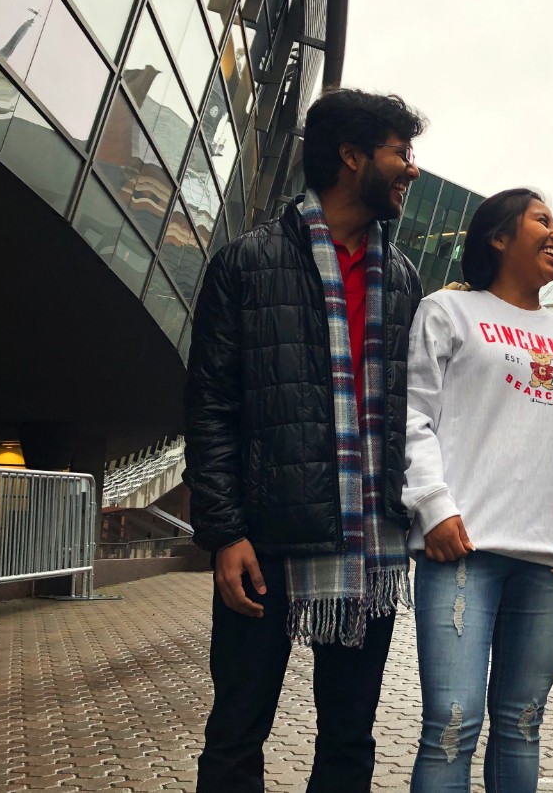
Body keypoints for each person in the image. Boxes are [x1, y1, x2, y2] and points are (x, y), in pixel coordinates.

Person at [184, 88, 425, 792]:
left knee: (349, 738)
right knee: (236, 731)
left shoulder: (404, 278)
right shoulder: (245, 264)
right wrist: (224, 532)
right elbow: (210, 410)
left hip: (371, 543)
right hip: (265, 541)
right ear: (352, 157)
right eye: (400, 153)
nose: (411, 169)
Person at [402, 187, 553, 793]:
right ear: (499, 237)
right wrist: (432, 506)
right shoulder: (447, 313)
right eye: (542, 220)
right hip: (461, 551)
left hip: (551, 562)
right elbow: (413, 418)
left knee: (523, 726)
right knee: (451, 723)